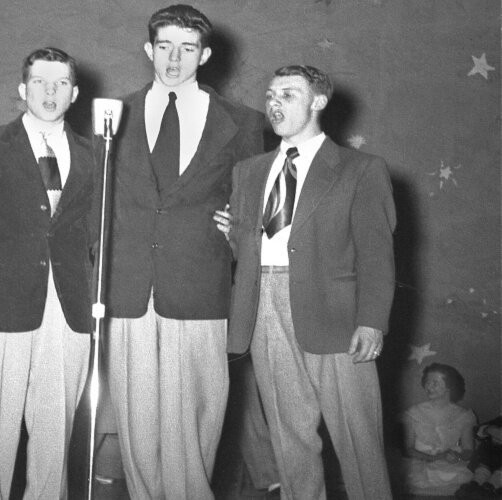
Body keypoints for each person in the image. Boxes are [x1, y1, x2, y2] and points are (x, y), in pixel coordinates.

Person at [98, 5, 265, 498]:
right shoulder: (112, 115)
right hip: (129, 288)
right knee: (135, 417)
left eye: (187, 48)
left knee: (196, 415)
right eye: (165, 46)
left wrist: (241, 227)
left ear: (206, 54)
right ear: (149, 49)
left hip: (199, 287)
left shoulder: (244, 122)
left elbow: (257, 209)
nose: (174, 59)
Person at [224, 64, 396, 500]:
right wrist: (235, 235)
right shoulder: (249, 171)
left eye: (288, 94)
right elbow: (247, 249)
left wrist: (372, 320)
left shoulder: (361, 168)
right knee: (289, 436)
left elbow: (377, 253)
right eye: (269, 94)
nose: (274, 103)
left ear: (318, 101)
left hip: (337, 315)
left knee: (359, 440)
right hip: (264, 305)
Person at [0, 47, 93, 499]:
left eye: (60, 83)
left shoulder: (97, 156)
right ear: (22, 89)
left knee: (55, 428)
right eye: (39, 81)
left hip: (69, 307)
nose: (50, 91)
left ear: (74, 93)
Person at [402, 362, 475, 495]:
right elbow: (408, 449)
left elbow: (468, 450)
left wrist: (458, 456)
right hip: (420, 463)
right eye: (427, 382)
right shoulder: (414, 413)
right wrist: (434, 458)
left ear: (449, 386)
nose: (429, 386)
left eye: (435, 382)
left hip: (450, 467)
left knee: (465, 481)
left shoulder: (464, 415)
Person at [456, 415, 502, 498]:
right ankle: (477, 481)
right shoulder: (500, 420)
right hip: (491, 460)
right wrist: (488, 429)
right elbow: (476, 430)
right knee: (487, 443)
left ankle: (492, 486)